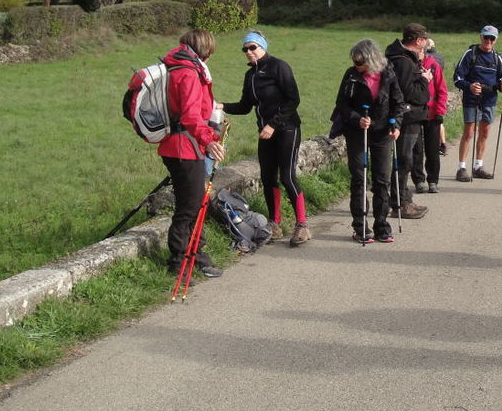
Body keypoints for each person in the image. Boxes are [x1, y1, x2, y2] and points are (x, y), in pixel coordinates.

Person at [220, 31, 309, 247]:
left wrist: (273, 124)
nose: (248, 52)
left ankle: (302, 225)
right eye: (245, 49)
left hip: (287, 128)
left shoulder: (279, 67)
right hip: (265, 132)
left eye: (253, 47)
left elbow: (293, 99)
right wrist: (220, 106)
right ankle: (275, 223)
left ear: (263, 47)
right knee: (268, 177)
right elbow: (244, 106)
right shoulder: (250, 75)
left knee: (287, 176)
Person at [159, 29, 226, 278]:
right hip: (184, 147)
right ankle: (179, 261)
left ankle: (195, 254)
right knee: (190, 206)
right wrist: (209, 141)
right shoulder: (188, 72)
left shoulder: (177, 67)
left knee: (195, 203)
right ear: (205, 50)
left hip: (179, 145)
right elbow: (190, 116)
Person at [330, 39, 405, 243]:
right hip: (357, 133)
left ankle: (382, 225)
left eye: (360, 62)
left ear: (371, 60)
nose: (356, 65)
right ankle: (360, 226)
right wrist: (357, 119)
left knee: (382, 180)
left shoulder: (388, 74)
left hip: (383, 132)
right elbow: (341, 104)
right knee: (359, 178)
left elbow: (398, 103)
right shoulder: (351, 75)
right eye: (354, 61)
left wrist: (396, 125)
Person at [384, 24, 431, 219]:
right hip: (408, 117)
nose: (426, 42)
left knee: (406, 159)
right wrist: (425, 80)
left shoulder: (401, 58)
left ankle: (404, 199)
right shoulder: (403, 62)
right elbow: (409, 93)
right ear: (418, 40)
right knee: (404, 160)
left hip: (407, 116)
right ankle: (400, 204)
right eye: (424, 39)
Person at [453, 25, 502, 181]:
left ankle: (478, 167)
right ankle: (461, 168)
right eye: (486, 37)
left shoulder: (497, 58)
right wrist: (469, 86)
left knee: (484, 133)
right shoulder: (470, 54)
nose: (489, 41)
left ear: (496, 40)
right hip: (472, 99)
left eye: (492, 38)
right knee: (469, 133)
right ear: (481, 37)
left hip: (489, 100)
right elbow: (457, 79)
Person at [411, 37, 449, 194]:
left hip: (432, 113)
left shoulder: (434, 65)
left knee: (432, 149)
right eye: (417, 51)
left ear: (425, 52)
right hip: (414, 112)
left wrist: (440, 111)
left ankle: (433, 180)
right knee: (416, 149)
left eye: (421, 51)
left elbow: (442, 91)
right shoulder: (409, 66)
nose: (419, 53)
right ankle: (419, 181)